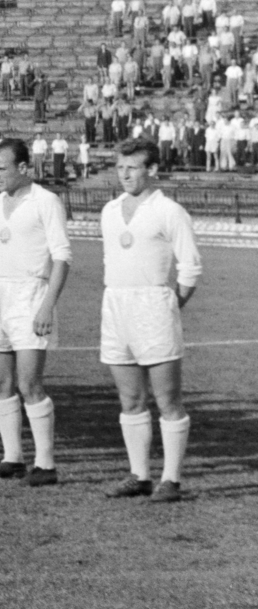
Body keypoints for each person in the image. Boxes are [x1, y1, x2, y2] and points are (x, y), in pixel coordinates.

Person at [100, 139, 201, 502]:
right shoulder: (110, 210)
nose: (124, 174)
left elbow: (190, 267)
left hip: (154, 305)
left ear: (152, 170)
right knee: (129, 397)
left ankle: (171, 479)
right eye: (120, 167)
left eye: (133, 167)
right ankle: (139, 475)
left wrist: (171, 305)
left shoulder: (169, 211)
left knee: (168, 399)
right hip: (116, 306)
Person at [0, 139, 72, 486]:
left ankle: (45, 465)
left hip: (30, 296)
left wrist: (47, 306)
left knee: (29, 383)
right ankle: (11, 457)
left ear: (24, 168)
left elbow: (62, 257)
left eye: (1, 168)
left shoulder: (46, 201)